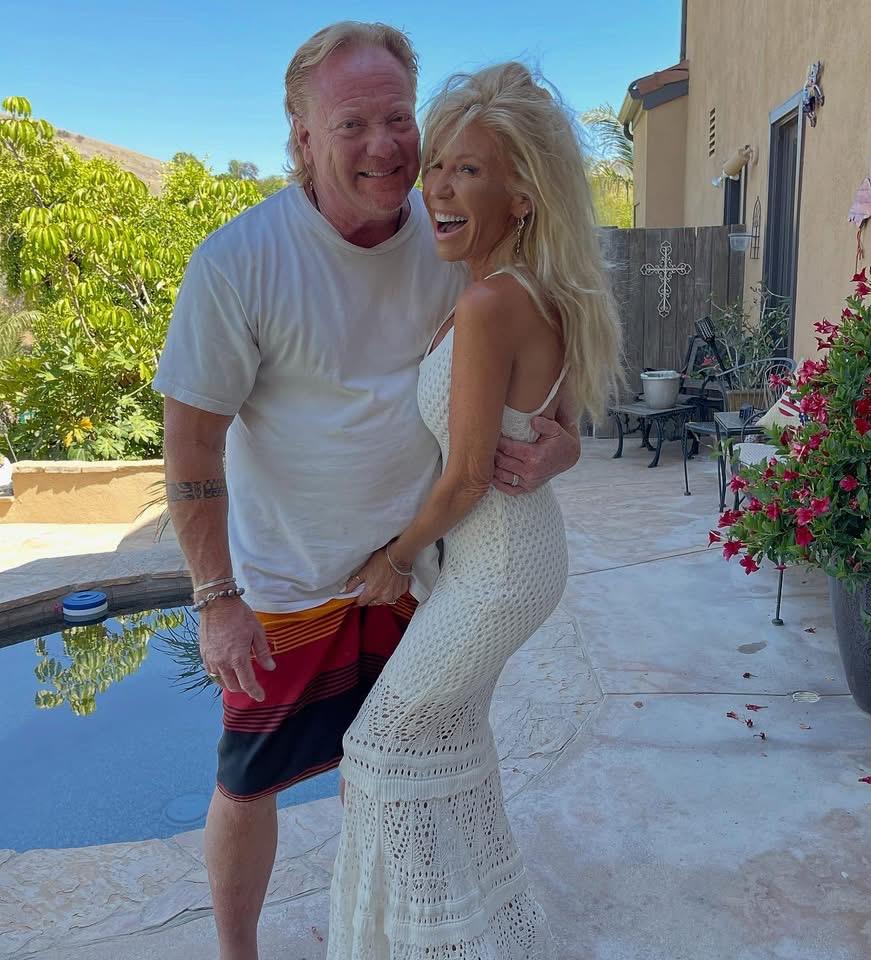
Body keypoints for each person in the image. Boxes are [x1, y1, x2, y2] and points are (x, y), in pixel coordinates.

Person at [152, 22, 581, 960]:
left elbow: (538, 356)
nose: (385, 146)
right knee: (249, 782)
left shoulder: (451, 234)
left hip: (418, 573)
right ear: (303, 135)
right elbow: (190, 443)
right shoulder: (238, 262)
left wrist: (562, 444)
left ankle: (384, 931)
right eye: (352, 124)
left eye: (398, 119)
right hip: (292, 581)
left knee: (391, 764)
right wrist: (216, 598)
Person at [325, 62, 623, 958]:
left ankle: (434, 941)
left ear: (523, 196)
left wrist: (395, 558)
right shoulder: (520, 288)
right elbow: (548, 426)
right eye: (438, 168)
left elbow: (464, 479)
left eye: (469, 171)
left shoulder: (495, 301)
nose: (439, 189)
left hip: (495, 571)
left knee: (380, 752)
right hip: (507, 560)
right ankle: (491, 935)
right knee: (444, 744)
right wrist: (563, 447)